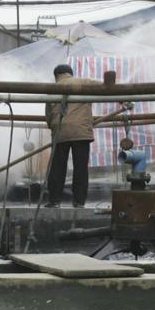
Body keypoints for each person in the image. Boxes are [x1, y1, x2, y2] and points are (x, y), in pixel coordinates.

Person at [44, 64, 97, 208]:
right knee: (80, 168)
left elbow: (48, 116)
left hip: (60, 131)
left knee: (57, 167)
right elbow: (107, 87)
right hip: (81, 132)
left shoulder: (52, 89)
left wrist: (53, 128)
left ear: (56, 76)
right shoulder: (84, 83)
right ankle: (79, 202)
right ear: (70, 74)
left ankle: (54, 200)